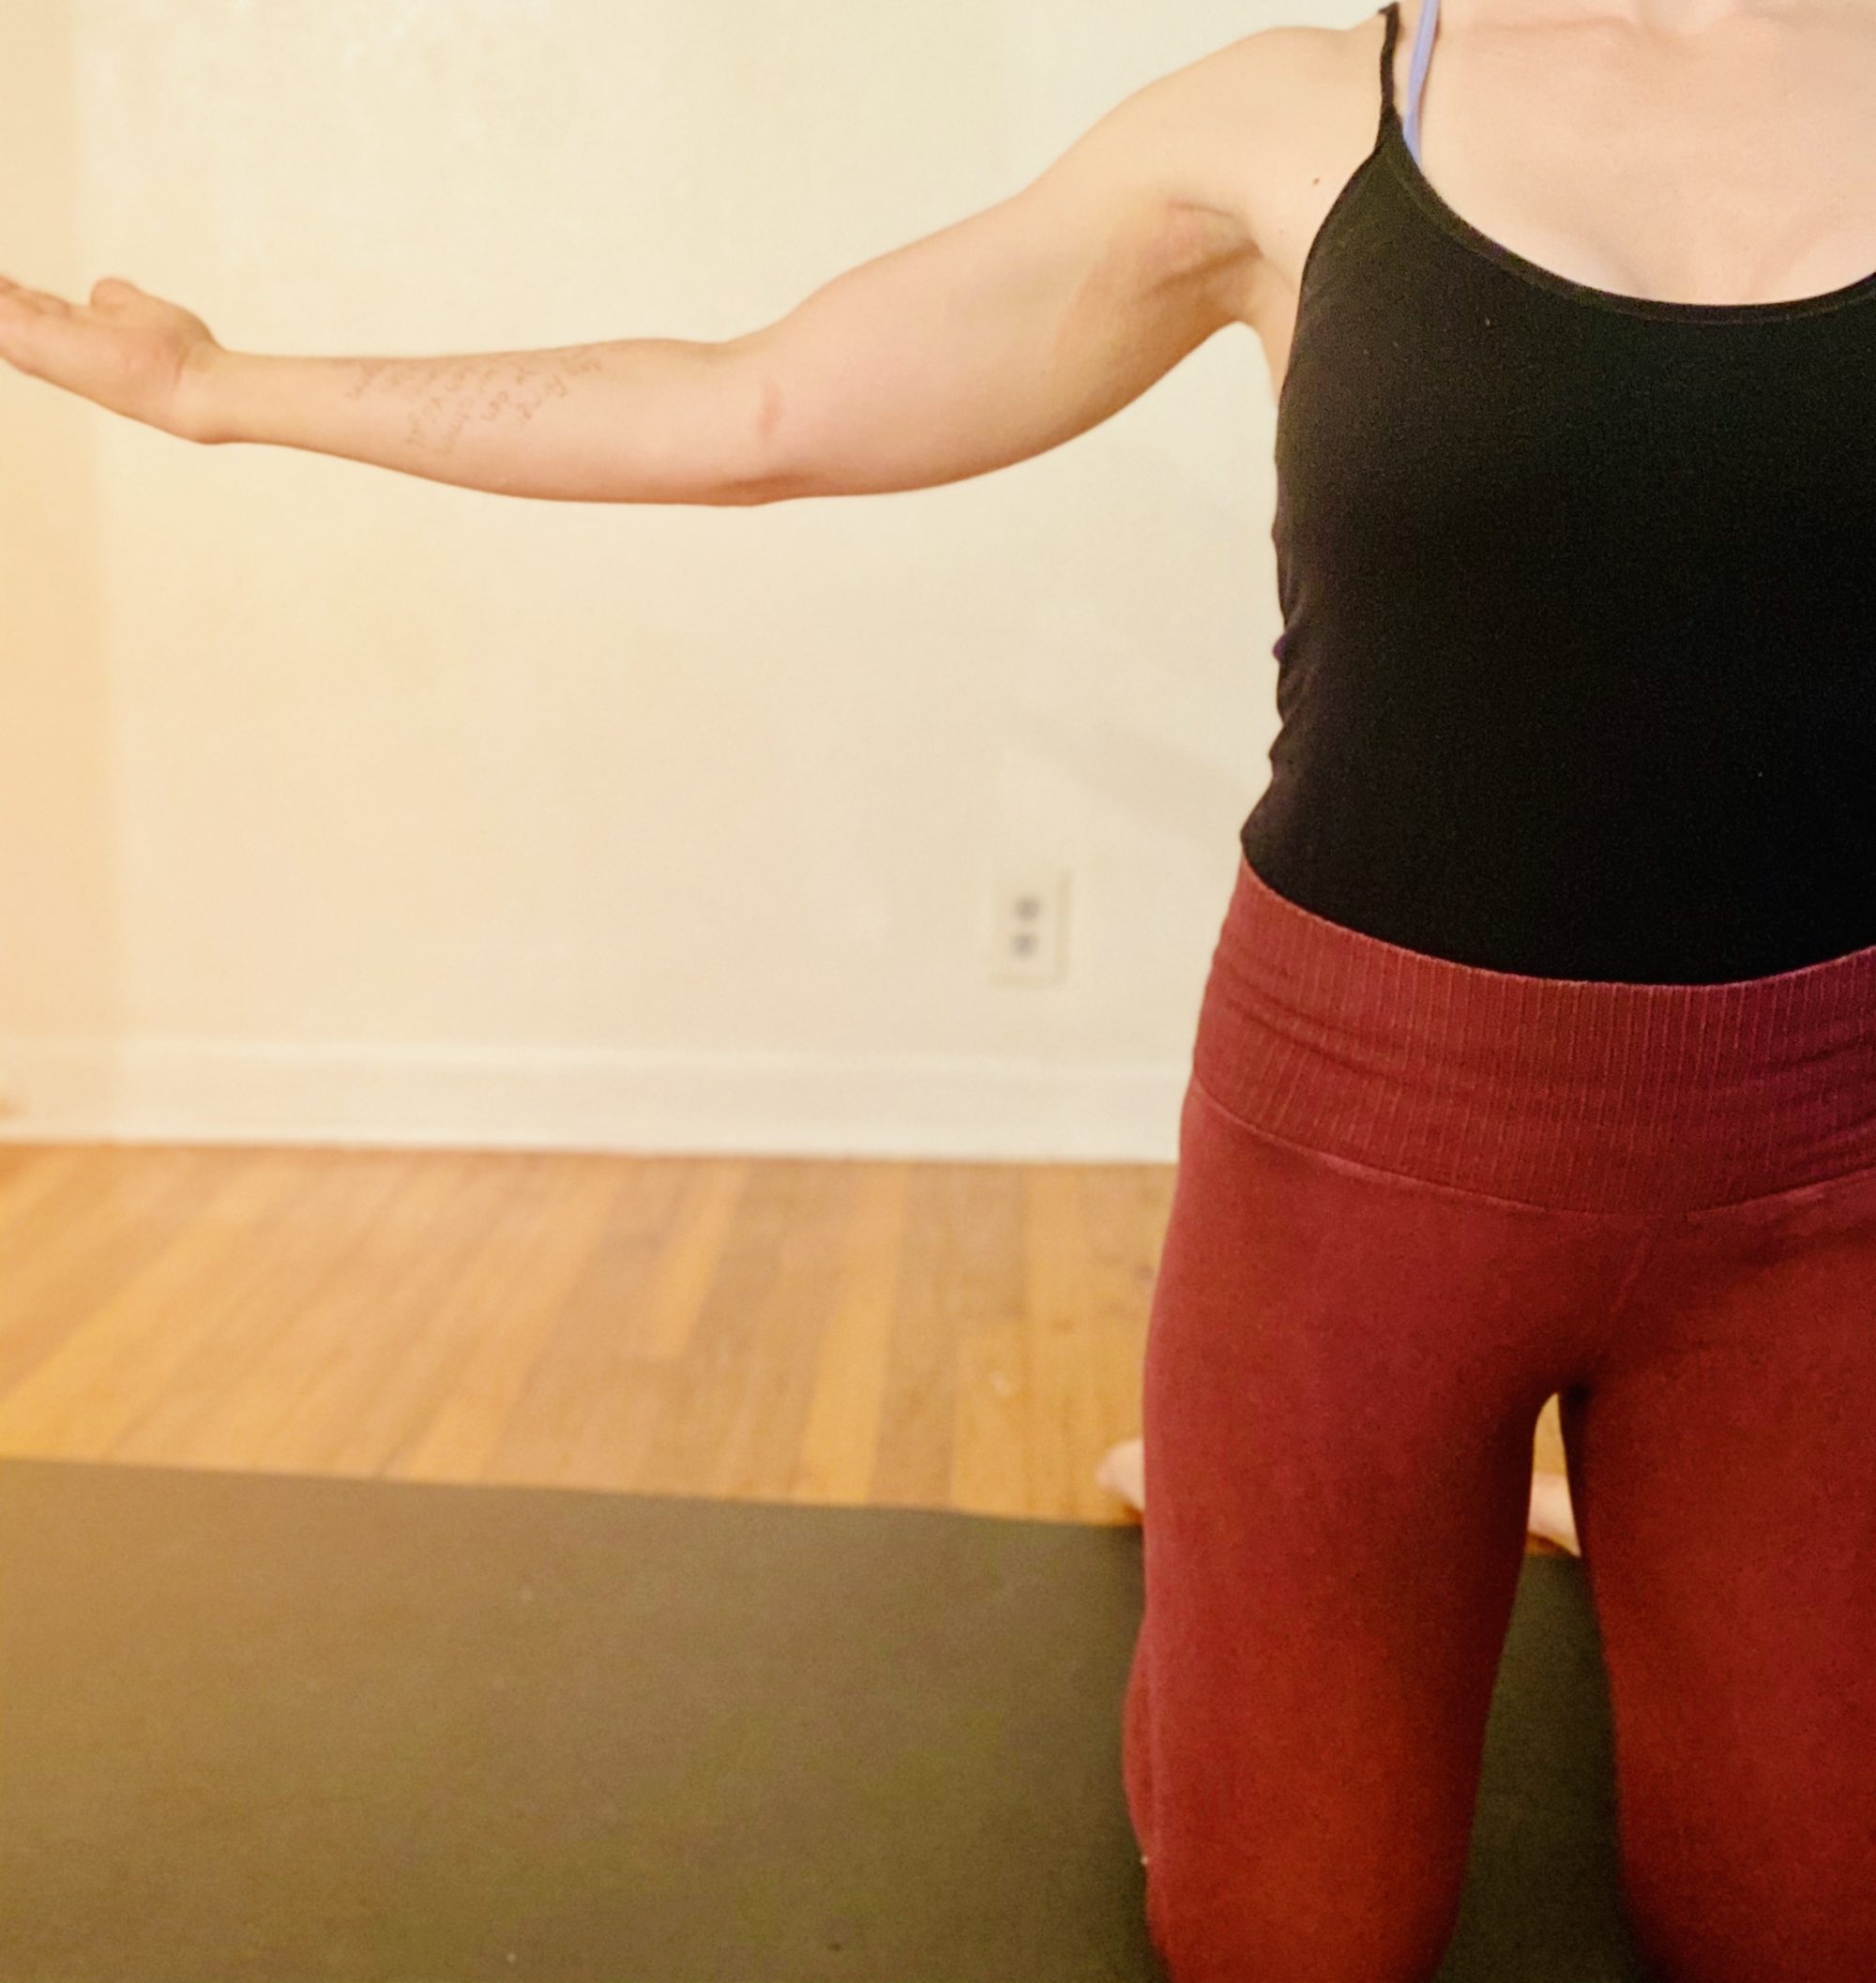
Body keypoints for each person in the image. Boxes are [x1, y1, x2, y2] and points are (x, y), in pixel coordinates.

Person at [5, 0, 1876, 1975]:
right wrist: (222, 388)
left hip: (1817, 1166)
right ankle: (1289, 1507)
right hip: (1360, 1165)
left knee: (1809, 1929)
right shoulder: (1310, 116)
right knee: (1286, 1939)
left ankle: (1532, 1496)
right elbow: (757, 406)